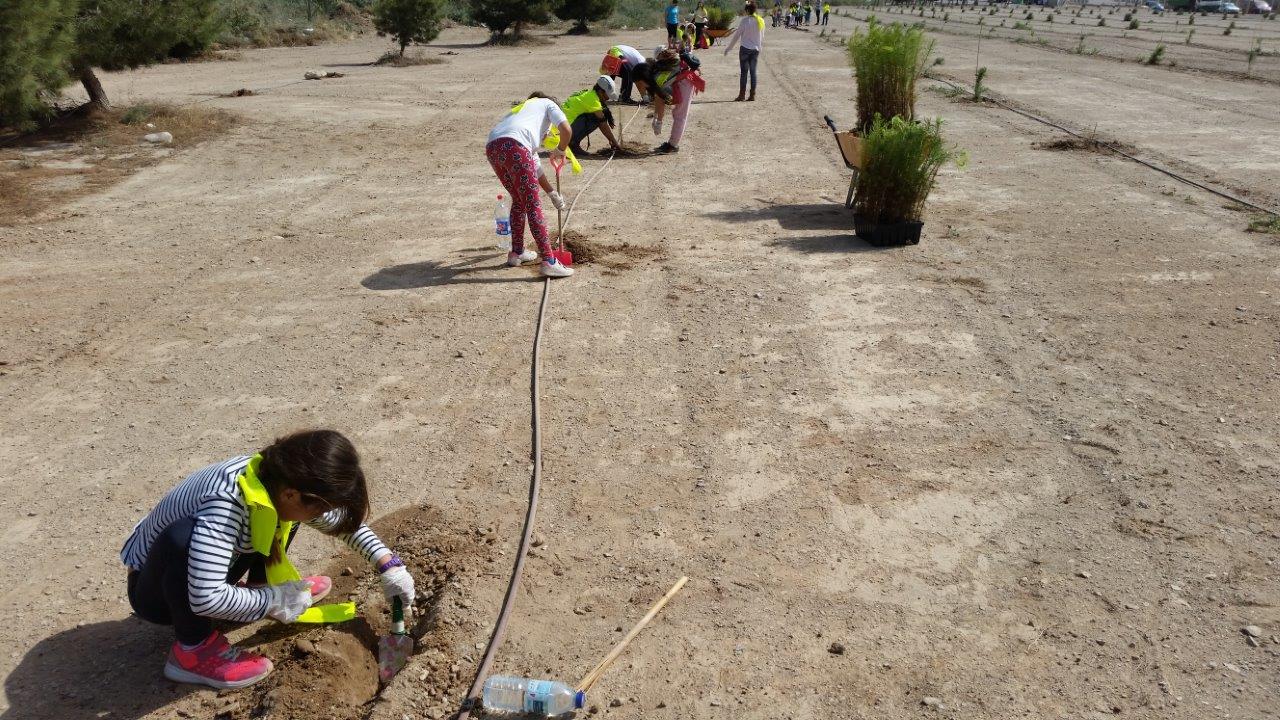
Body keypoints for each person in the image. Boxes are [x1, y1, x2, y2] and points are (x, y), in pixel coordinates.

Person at [121, 430, 417, 689]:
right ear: (292, 493)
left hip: (212, 569)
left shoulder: (276, 478)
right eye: (315, 508)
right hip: (158, 593)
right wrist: (275, 599)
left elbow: (336, 521)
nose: (320, 518)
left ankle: (254, 593)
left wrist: (387, 563)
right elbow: (206, 599)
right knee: (182, 538)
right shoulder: (224, 504)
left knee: (284, 517)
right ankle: (192, 651)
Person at [486, 93, 575, 277]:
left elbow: (534, 167)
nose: (549, 132)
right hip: (515, 146)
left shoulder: (522, 116)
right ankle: (549, 261)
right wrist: (560, 149)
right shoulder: (549, 103)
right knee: (532, 204)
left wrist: (552, 193)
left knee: (519, 200)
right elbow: (567, 130)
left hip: (493, 147)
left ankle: (517, 252)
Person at [649, 48, 705, 154]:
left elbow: (659, 97)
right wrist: (656, 118)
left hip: (687, 81)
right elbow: (659, 97)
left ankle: (673, 145)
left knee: (680, 114)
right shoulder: (668, 63)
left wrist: (658, 120)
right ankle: (672, 143)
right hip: (682, 80)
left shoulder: (659, 73)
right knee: (678, 113)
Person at [564, 76, 622, 155]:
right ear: (601, 92)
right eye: (607, 95)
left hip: (561, 129)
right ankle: (572, 144)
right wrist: (614, 142)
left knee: (599, 114)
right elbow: (603, 124)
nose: (608, 98)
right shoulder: (593, 100)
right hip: (563, 132)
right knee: (596, 118)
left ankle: (570, 142)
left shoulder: (589, 94)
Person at [724, 2, 764, 102]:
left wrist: (729, 48)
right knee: (753, 72)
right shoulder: (761, 20)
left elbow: (737, 36)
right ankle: (752, 95)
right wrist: (759, 48)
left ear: (747, 10)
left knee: (744, 73)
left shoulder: (745, 21)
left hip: (745, 49)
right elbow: (762, 37)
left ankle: (742, 95)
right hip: (755, 50)